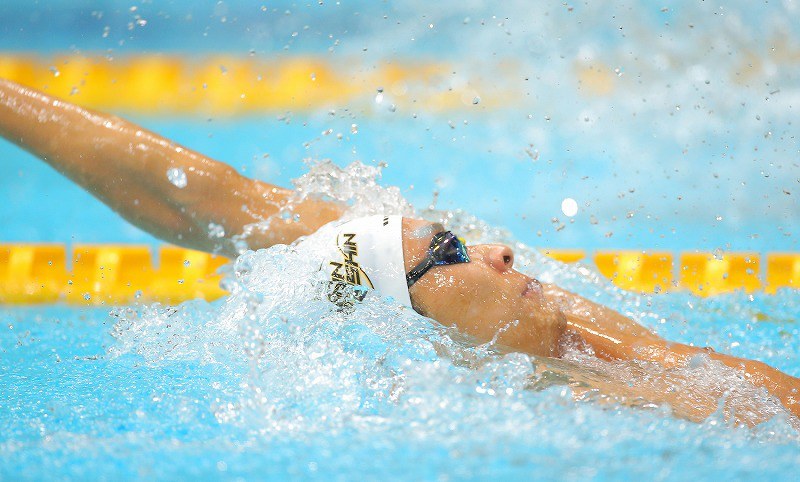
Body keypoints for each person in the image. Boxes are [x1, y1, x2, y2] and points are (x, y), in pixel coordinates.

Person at [1, 78, 798, 426]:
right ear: (403, 320)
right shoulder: (567, 401)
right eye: (452, 251)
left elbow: (206, 197)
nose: (502, 253)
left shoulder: (556, 330)